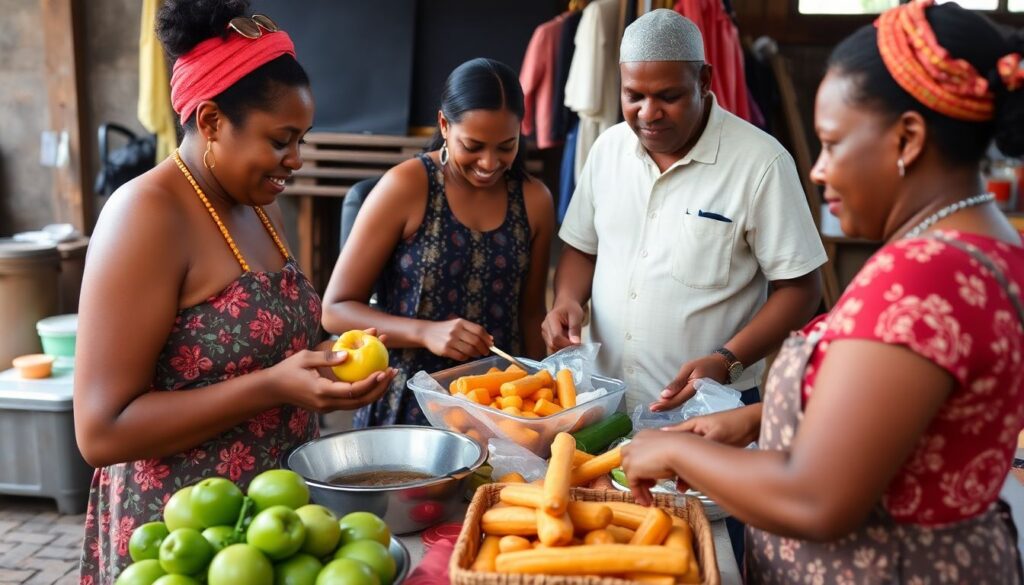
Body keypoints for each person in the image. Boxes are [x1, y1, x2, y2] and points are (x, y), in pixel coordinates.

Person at [621, 1, 1024, 582]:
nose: (819, 169)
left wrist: (676, 452)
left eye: (832, 144)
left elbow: (817, 500)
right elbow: (908, 409)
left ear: (907, 139)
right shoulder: (987, 245)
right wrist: (759, 417)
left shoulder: (923, 278)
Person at [74, 1, 394, 580]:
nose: (295, 159)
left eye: (302, 138)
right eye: (280, 140)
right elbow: (100, 431)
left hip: (275, 529)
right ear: (212, 122)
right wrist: (275, 386)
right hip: (188, 538)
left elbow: (254, 352)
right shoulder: (146, 215)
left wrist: (324, 363)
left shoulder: (252, 204)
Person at [543, 9, 826, 414]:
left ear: (704, 81)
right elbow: (582, 248)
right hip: (606, 402)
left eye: (668, 96)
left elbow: (801, 289)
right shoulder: (607, 150)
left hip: (713, 407)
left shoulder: (761, 163)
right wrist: (566, 300)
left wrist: (726, 360)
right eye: (634, 95)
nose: (648, 113)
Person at [321, 58, 555, 427]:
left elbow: (530, 315)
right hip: (409, 409)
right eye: (474, 146)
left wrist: (545, 395)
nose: (490, 163)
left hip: (500, 411)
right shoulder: (408, 186)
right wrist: (425, 332)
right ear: (444, 125)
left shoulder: (534, 200)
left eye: (506, 146)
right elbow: (335, 309)